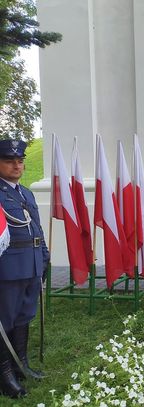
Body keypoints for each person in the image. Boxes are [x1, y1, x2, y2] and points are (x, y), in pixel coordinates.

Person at [0, 139, 49, 398]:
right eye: (9, 160)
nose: (16, 165)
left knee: (24, 317)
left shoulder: (26, 193)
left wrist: (44, 257)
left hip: (30, 264)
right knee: (4, 320)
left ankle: (21, 365)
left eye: (20, 161)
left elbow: (36, 229)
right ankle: (5, 374)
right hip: (7, 267)